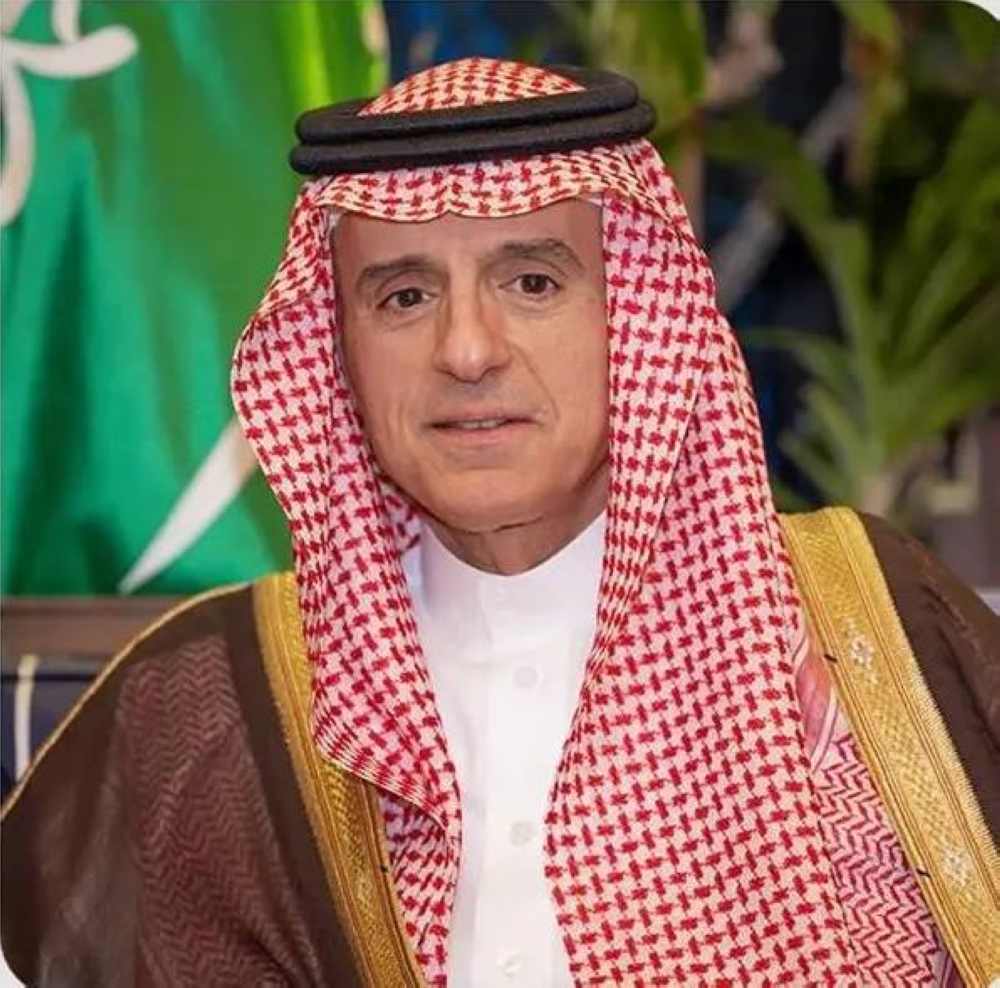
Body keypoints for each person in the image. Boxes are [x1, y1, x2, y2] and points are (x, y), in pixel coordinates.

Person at [2, 57, 998, 988]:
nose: (467, 350)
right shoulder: (207, 699)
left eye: (533, 283)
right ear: (338, 352)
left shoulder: (874, 623)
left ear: (634, 314)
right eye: (403, 296)